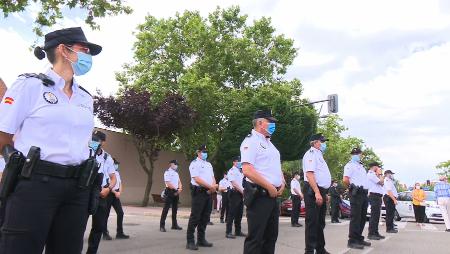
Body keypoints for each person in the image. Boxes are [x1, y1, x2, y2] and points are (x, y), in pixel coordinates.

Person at [0, 27, 102, 253]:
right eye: (83, 49)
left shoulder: (85, 98)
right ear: (63, 50)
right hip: (35, 184)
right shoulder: (29, 86)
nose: (87, 55)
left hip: (77, 187)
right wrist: (13, 162)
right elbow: (3, 132)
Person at [241, 110, 285, 254]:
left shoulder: (269, 144)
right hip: (260, 195)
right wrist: (269, 186)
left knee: (271, 237)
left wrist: (282, 181)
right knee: (256, 238)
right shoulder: (251, 141)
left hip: (272, 196)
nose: (273, 125)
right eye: (270, 122)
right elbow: (247, 170)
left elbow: (273, 167)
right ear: (260, 122)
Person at [86, 130, 117, 254]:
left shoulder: (107, 157)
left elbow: (113, 178)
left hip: (102, 192)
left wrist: (108, 189)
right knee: (78, 224)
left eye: (97, 139)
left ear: (103, 142)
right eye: (93, 138)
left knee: (98, 226)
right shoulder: (85, 151)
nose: (94, 141)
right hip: (86, 190)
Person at [302, 133, 332, 254]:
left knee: (320, 222)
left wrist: (323, 193)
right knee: (312, 222)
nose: (324, 144)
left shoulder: (319, 155)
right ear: (315, 142)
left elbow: (321, 176)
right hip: (313, 190)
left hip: (320, 190)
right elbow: (310, 174)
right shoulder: (311, 154)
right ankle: (309, 250)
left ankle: (320, 249)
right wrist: (317, 193)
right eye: (322, 141)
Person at [186, 145, 217, 250]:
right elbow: (197, 179)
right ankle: (190, 241)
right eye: (203, 151)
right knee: (195, 217)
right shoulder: (194, 164)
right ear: (198, 152)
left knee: (205, 217)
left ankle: (201, 239)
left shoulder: (208, 164)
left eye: (206, 151)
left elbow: (213, 177)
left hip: (208, 193)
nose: (205, 153)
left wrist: (213, 186)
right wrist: (211, 187)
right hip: (199, 192)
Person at [343, 148, 370, 250]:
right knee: (356, 217)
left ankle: (359, 238)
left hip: (363, 193)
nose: (358, 155)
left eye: (358, 154)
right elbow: (345, 179)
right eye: (355, 154)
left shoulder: (361, 166)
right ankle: (352, 240)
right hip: (356, 193)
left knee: (362, 217)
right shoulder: (349, 165)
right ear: (352, 155)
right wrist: (352, 187)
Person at [103, 158, 130, 239]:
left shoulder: (117, 173)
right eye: (115, 164)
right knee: (105, 214)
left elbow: (120, 183)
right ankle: (104, 233)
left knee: (120, 213)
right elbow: (108, 184)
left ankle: (120, 232)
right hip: (109, 194)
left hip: (116, 195)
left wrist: (119, 192)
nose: (116, 165)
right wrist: (115, 192)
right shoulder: (108, 172)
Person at [225, 156, 246, 238]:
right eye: (238, 161)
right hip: (234, 193)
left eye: (240, 161)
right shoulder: (232, 171)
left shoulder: (240, 171)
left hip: (240, 193)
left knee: (239, 213)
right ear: (234, 162)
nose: (239, 162)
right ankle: (228, 232)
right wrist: (243, 192)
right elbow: (234, 183)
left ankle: (238, 231)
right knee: (232, 213)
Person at [160, 159, 183, 232]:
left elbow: (179, 182)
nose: (176, 166)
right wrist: (176, 189)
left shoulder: (176, 173)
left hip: (176, 192)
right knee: (166, 209)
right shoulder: (167, 172)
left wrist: (180, 188)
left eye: (177, 164)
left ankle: (174, 225)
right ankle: (162, 226)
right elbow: (168, 183)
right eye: (175, 164)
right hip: (170, 192)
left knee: (175, 209)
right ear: (171, 164)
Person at [367, 162, 385, 240]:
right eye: (378, 167)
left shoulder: (374, 175)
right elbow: (381, 182)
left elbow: (381, 184)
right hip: (374, 196)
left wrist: (379, 175)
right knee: (374, 216)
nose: (379, 169)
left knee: (377, 216)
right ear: (374, 167)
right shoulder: (370, 174)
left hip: (377, 196)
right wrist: (380, 174)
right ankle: (371, 233)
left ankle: (375, 232)